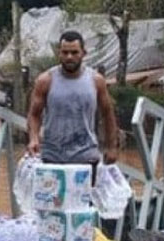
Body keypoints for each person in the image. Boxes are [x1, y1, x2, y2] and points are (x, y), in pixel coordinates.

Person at [27, 31, 121, 166]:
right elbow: (34, 114)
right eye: (65, 53)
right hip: (52, 156)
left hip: (86, 156)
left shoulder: (96, 80)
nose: (69, 57)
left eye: (74, 52)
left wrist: (112, 147)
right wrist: (33, 138)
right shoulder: (45, 80)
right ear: (59, 53)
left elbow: (107, 113)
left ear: (83, 53)